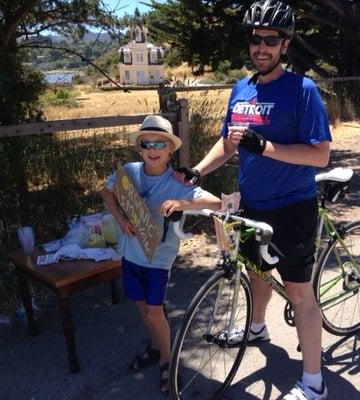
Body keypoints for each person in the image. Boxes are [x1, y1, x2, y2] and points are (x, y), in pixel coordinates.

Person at [175, 1, 332, 399]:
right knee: (255, 272)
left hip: (292, 208)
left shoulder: (302, 90)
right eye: (255, 39)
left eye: (270, 40)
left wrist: (267, 148)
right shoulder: (241, 89)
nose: (260, 47)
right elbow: (229, 143)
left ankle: (314, 383)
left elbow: (319, 155)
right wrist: (199, 170)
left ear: (285, 44)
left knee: (299, 292)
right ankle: (256, 328)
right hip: (253, 204)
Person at [101, 115, 221, 393]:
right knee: (142, 308)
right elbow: (107, 192)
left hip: (158, 260)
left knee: (156, 312)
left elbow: (215, 203)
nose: (152, 149)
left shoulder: (178, 181)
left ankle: (168, 361)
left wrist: (181, 202)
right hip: (130, 255)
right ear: (139, 147)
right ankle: (155, 348)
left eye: (160, 143)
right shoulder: (128, 172)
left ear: (170, 149)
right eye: (146, 143)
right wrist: (120, 220)